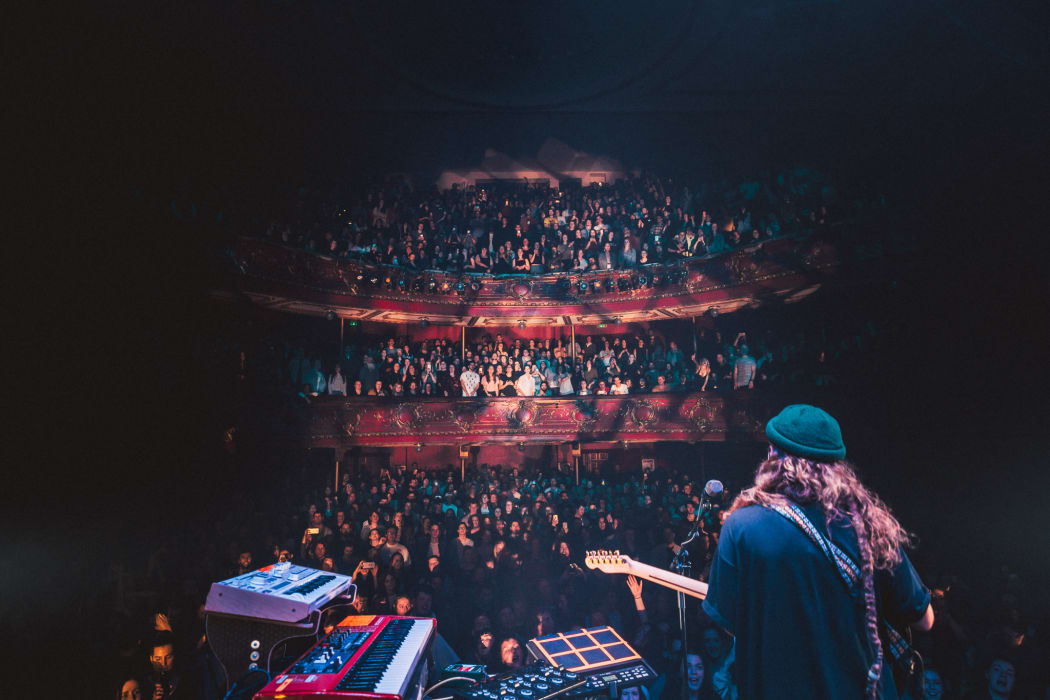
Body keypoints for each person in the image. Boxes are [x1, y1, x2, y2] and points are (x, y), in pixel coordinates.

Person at [703, 404, 934, 700]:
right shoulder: (868, 526)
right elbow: (924, 619)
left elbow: (727, 618)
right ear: (837, 467)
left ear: (772, 455)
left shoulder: (741, 526)